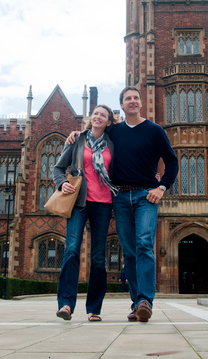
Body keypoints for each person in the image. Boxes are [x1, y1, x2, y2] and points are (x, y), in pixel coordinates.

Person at [66, 86, 178, 323]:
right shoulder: (114, 132)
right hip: (119, 197)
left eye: (136, 98)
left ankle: (145, 300)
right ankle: (137, 303)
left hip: (146, 196)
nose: (133, 101)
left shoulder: (155, 130)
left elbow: (171, 162)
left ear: (141, 102)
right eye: (128, 98)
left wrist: (162, 187)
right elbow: (93, 135)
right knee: (129, 252)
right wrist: (76, 134)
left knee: (145, 243)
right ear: (122, 105)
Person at [53, 104, 117, 322]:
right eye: (96, 114)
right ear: (91, 118)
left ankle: (94, 309)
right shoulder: (77, 140)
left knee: (98, 258)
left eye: (103, 115)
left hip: (104, 204)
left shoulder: (112, 144)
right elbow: (58, 168)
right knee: (71, 249)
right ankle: (66, 305)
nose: (98, 117)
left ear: (109, 122)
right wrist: (62, 184)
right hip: (79, 202)